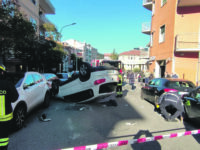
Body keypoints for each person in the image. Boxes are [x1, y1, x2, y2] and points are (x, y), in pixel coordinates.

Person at [0, 64, 19, 150]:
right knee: (3, 138)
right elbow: (14, 98)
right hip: (5, 118)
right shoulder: (8, 84)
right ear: (3, 73)